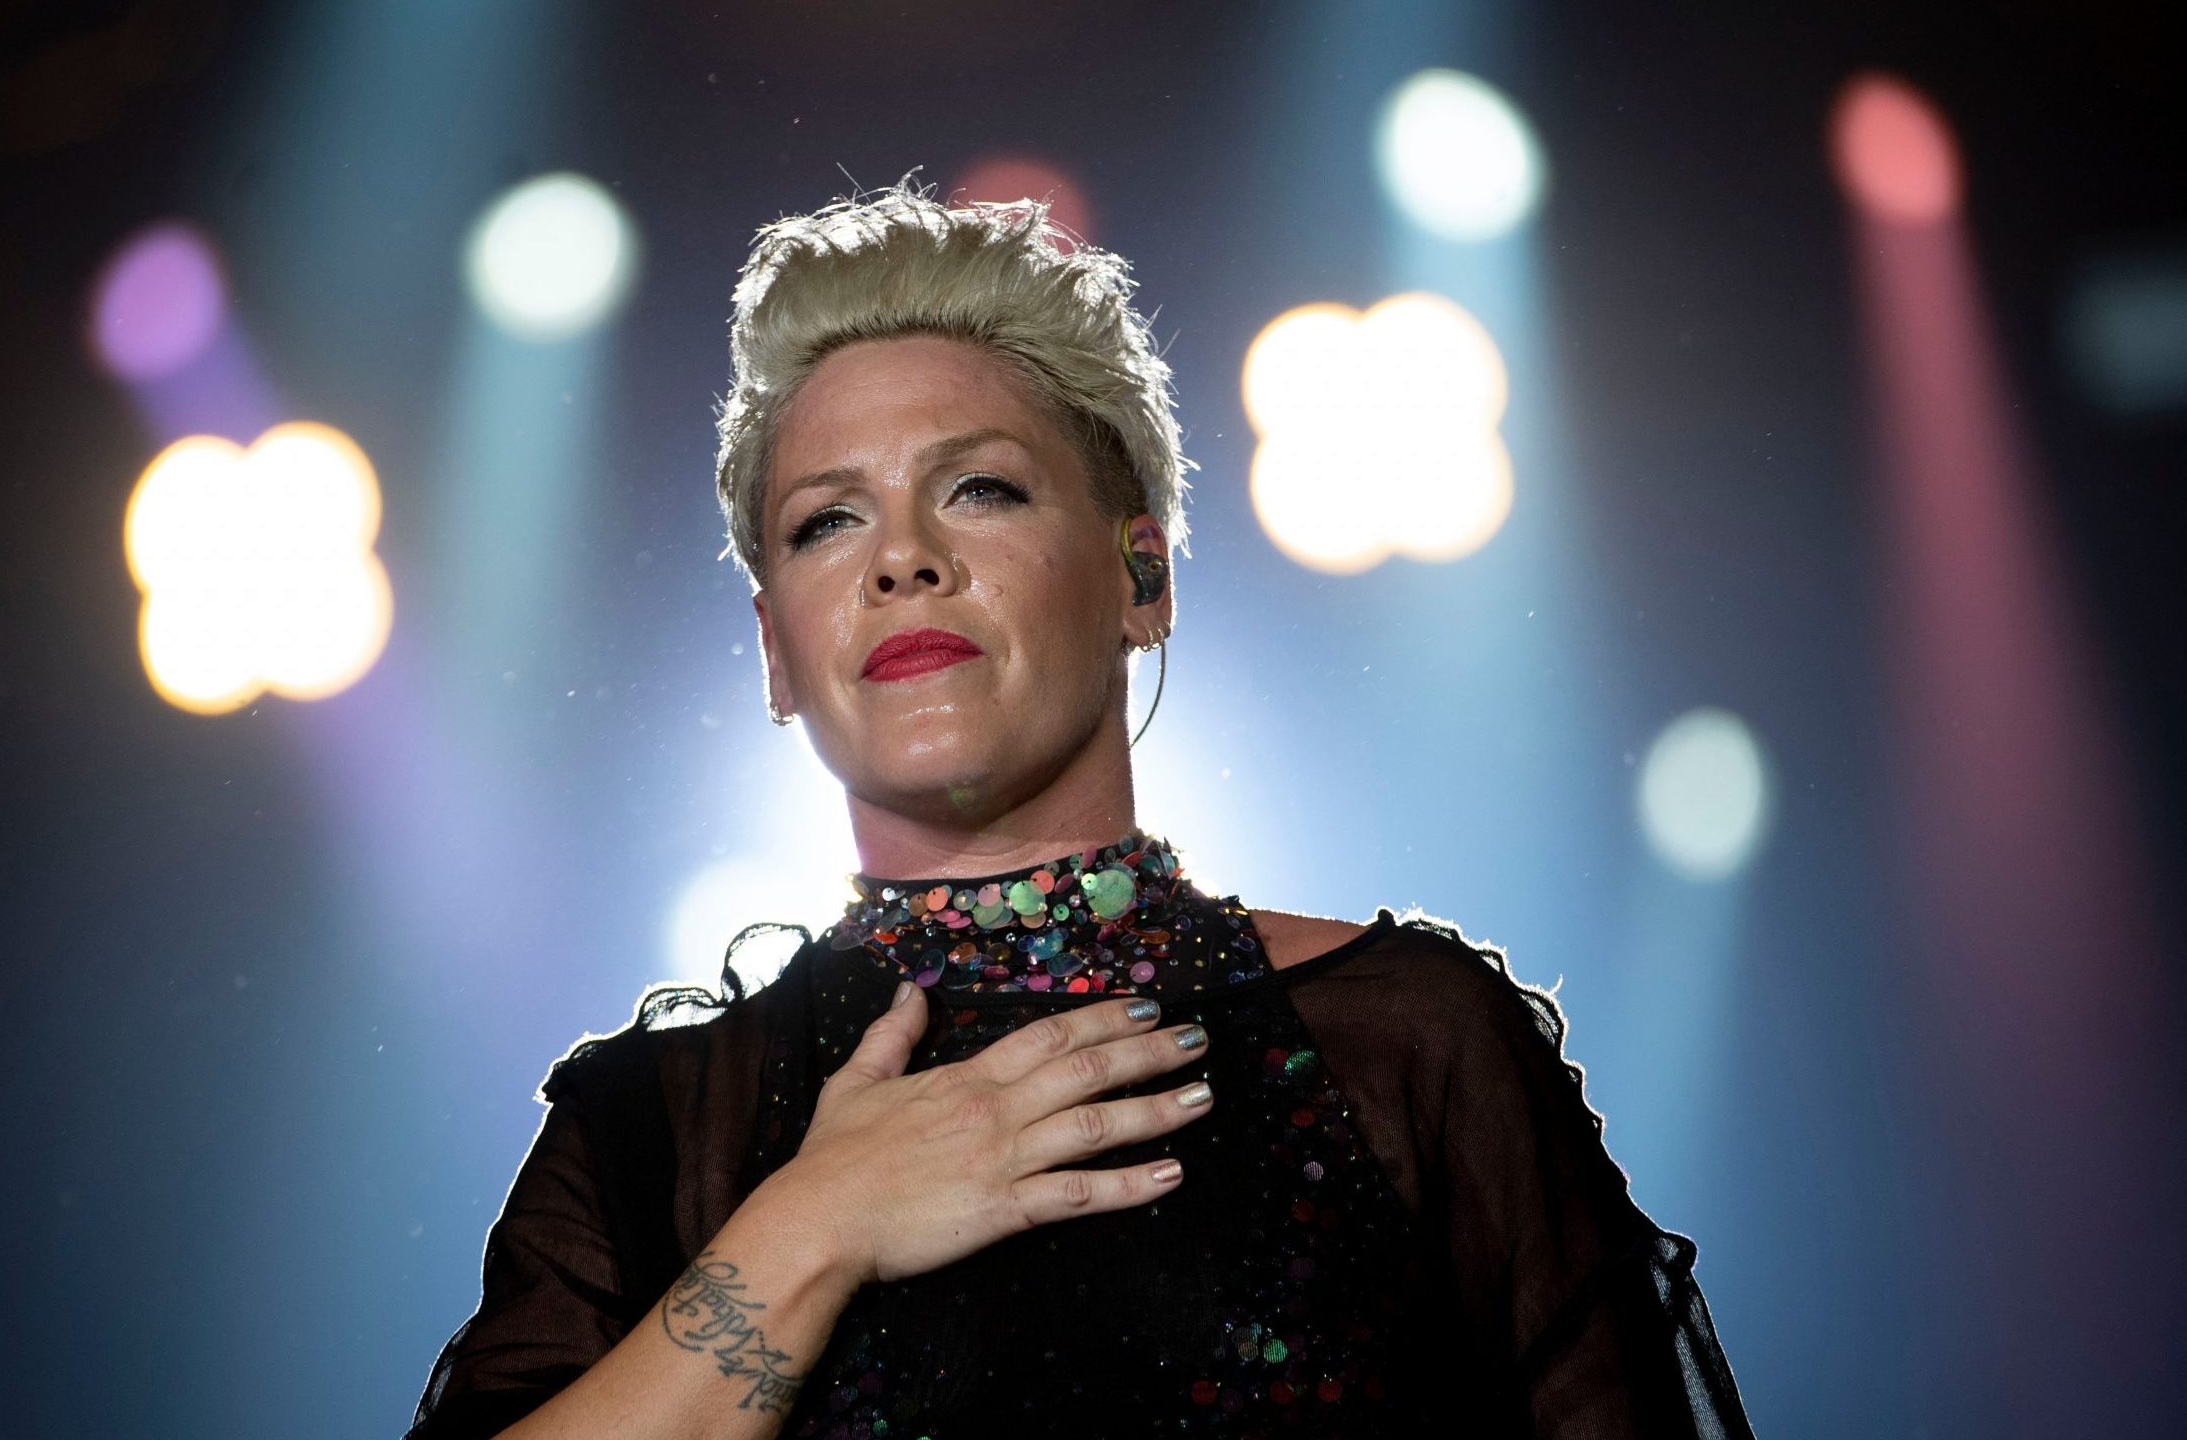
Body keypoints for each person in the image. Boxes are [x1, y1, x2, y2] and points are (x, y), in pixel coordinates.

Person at [405, 182, 1757, 1438]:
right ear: (773, 650)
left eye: (978, 489)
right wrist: (812, 1228)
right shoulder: (651, 1124)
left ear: (1141, 576)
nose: (904, 562)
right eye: (828, 522)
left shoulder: (1409, 1043)